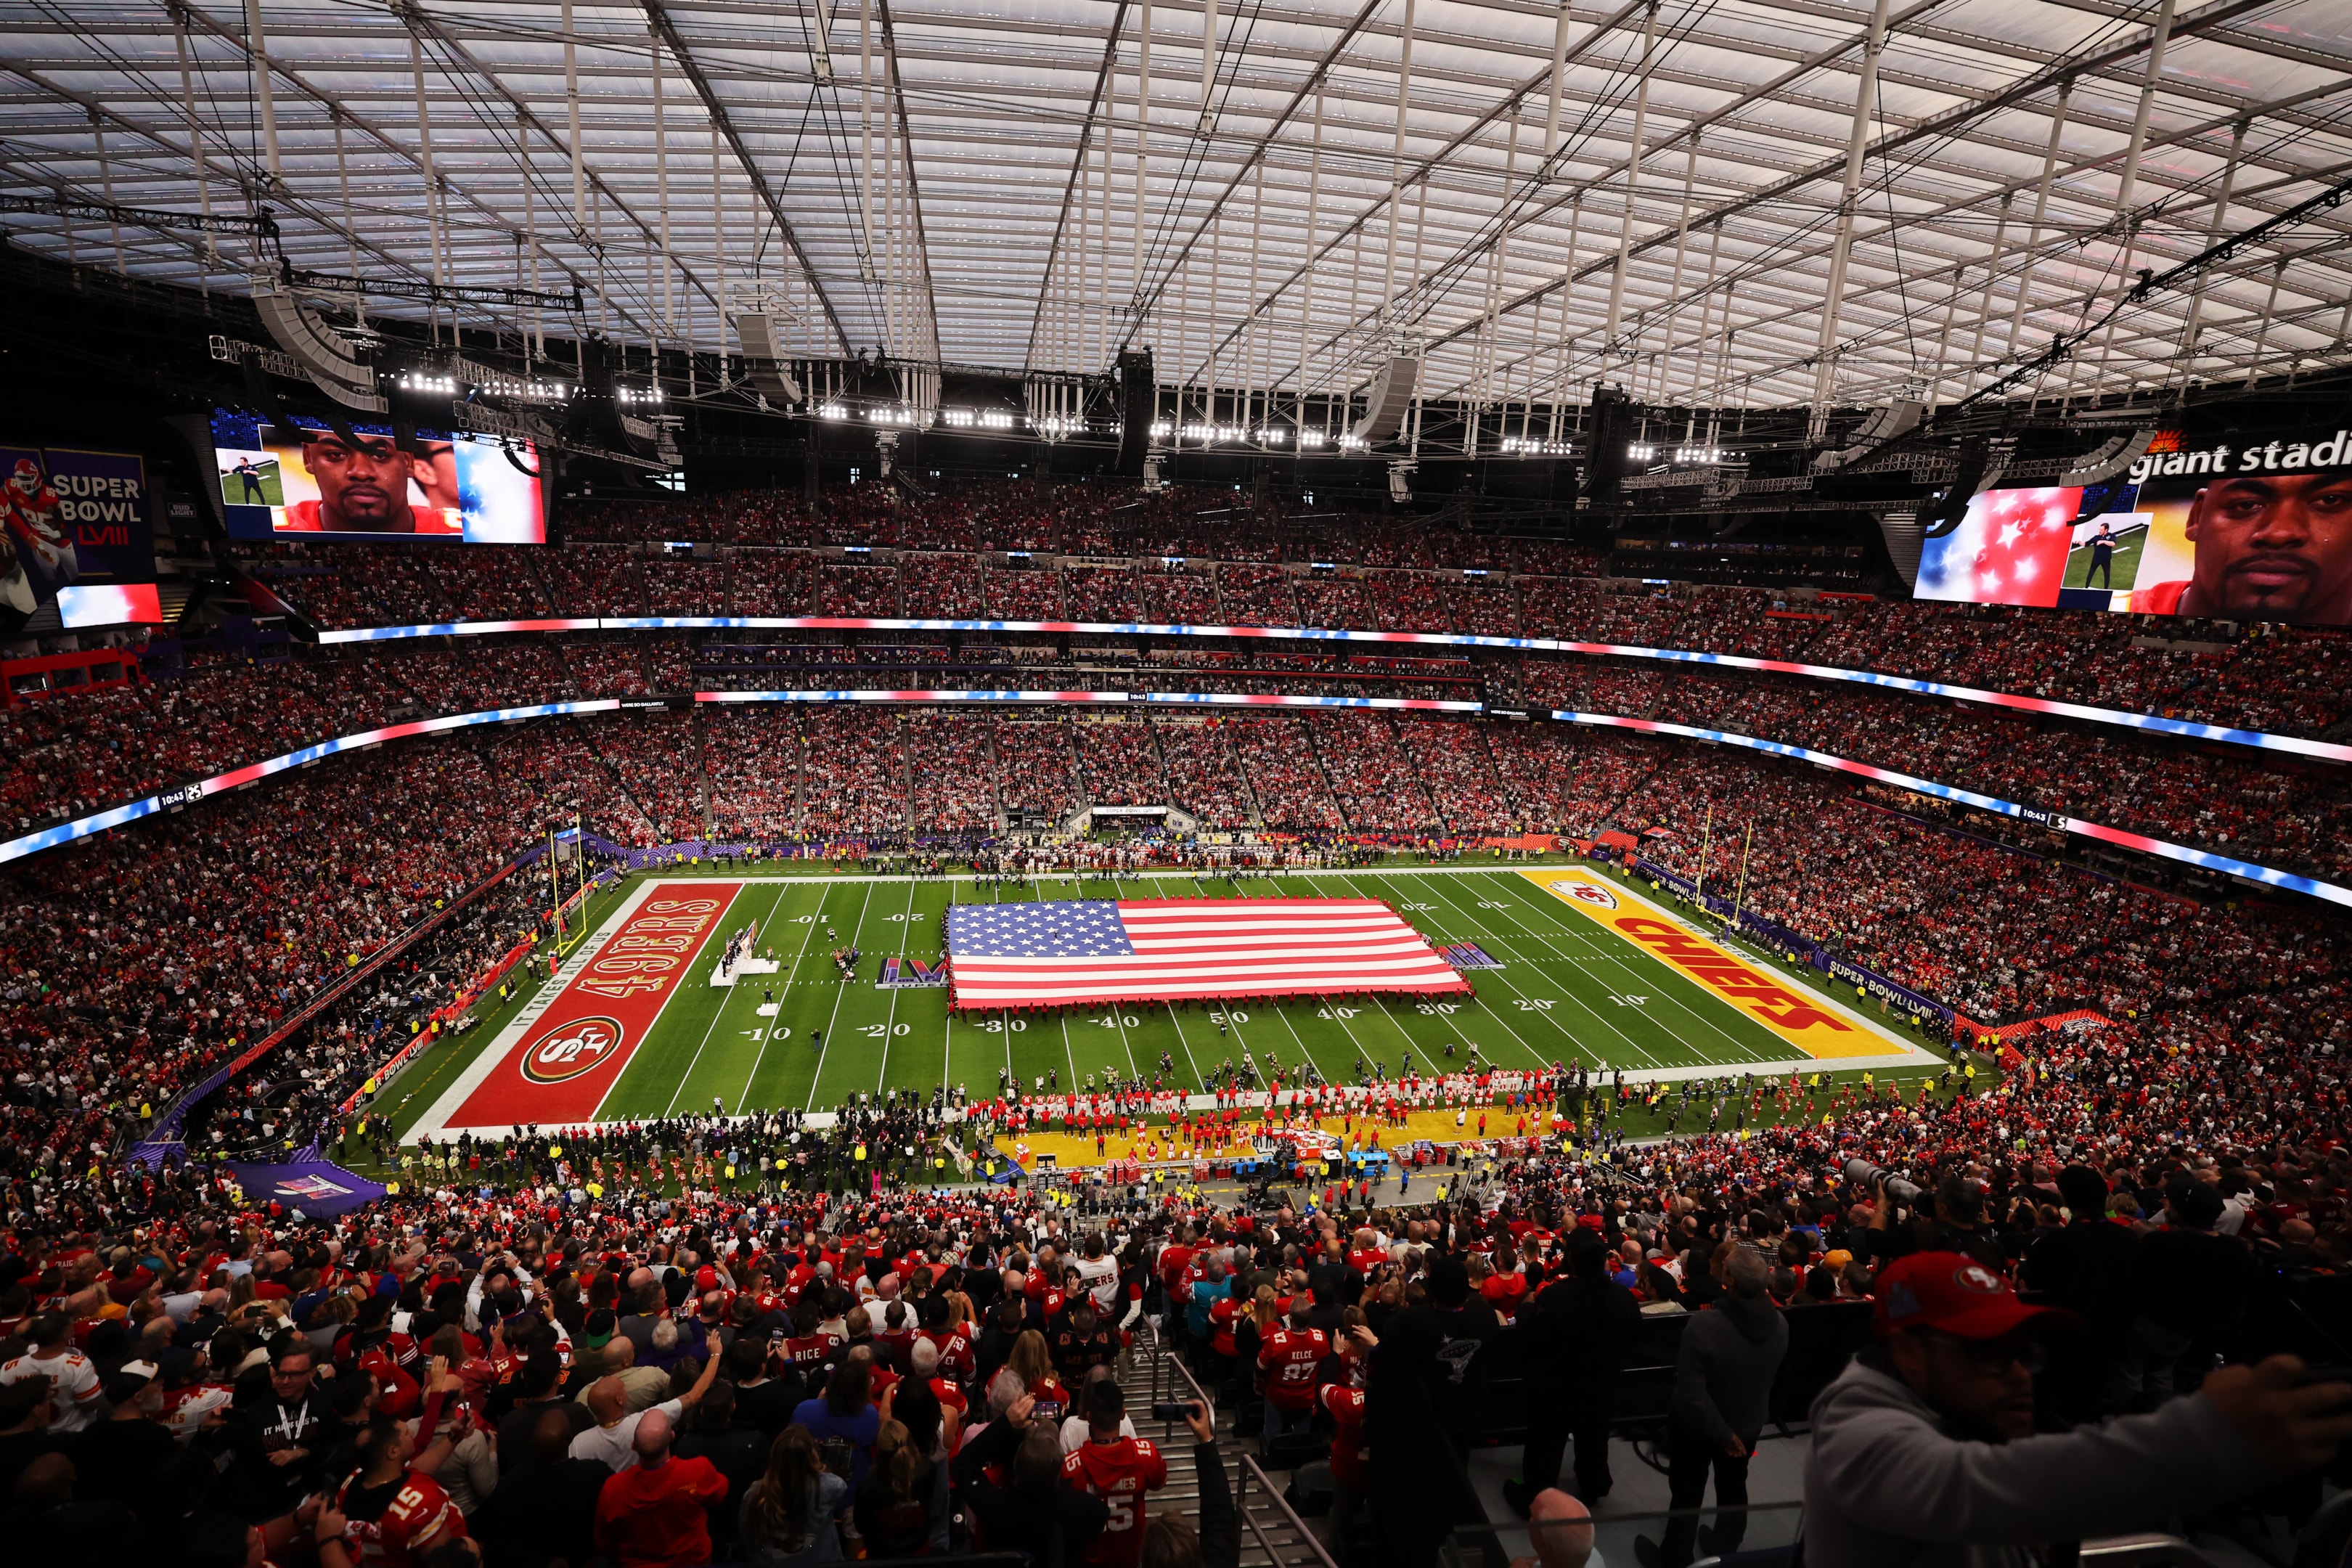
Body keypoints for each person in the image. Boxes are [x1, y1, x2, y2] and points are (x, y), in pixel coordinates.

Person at [1804, 1250, 2352, 1568]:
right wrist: (2212, 1438)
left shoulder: (1967, 1408)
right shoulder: (1854, 1425)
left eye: (2023, 1354)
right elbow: (1963, 1485)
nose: (2019, 1376)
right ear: (1907, 1354)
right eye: (1986, 1356)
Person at [1636, 1248, 1785, 1568]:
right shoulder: (1781, 1324)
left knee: (1688, 1492)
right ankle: (1726, 1544)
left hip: (1700, 1429)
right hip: (1748, 1424)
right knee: (1734, 1486)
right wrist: (1735, 1432)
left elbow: (1691, 1394)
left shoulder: (1704, 1325)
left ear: (1728, 1280)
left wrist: (1723, 1433)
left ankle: (1674, 1557)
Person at [1508, 1231, 1637, 1514]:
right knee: (1594, 1437)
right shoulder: (1623, 1298)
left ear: (1572, 1262)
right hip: (1602, 1385)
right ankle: (1593, 1486)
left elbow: (1531, 1336)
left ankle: (1538, 1492)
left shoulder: (1554, 1297)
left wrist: (1527, 1308)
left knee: (1547, 1441)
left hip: (1557, 1388)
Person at [2127, 467, 2352, 621]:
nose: (2279, 533)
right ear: (2197, 516)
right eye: (2246, 505)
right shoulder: (2117, 609)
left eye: (2329, 500)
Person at [315, 1412, 468, 1568]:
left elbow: (411, 1472)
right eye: (407, 1433)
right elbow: (445, 1561)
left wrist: (454, 1435)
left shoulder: (356, 1478)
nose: (413, 1433)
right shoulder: (422, 1508)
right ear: (393, 1452)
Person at [592, 1408, 731, 1568]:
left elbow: (603, 1541)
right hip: (693, 1562)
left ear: (633, 1446)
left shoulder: (613, 1488)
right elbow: (720, 1493)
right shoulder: (697, 1471)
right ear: (672, 1437)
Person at [569, 1333, 724, 1472]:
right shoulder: (644, 1425)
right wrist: (716, 1354)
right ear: (620, 1400)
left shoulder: (579, 1444)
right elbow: (693, 1396)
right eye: (623, 1388)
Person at [1061, 1378, 1169, 1568]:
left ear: (1089, 1417)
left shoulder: (1071, 1467)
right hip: (1131, 1559)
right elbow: (1160, 1482)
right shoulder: (1146, 1455)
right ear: (1122, 1414)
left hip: (1088, 1560)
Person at [279, 427, 444, 535]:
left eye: (379, 454)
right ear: (308, 458)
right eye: (336, 454)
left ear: (408, 461)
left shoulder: (459, 529)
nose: (362, 472)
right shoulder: (278, 527)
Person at [739, 1426, 849, 1566]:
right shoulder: (830, 1487)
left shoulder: (755, 1493)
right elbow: (840, 1485)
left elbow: (746, 1534)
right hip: (821, 1561)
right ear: (811, 1455)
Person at [2084, 520, 2116, 589]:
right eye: (2100, 529)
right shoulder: (2096, 537)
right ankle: (2086, 587)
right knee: (2090, 573)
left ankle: (2106, 589)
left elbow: (2113, 544)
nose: (2100, 531)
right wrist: (2078, 542)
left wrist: (2103, 541)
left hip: (2106, 560)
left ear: (2106, 530)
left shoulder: (2111, 536)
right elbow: (2086, 544)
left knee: (2107, 575)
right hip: (2096, 559)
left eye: (2101, 530)